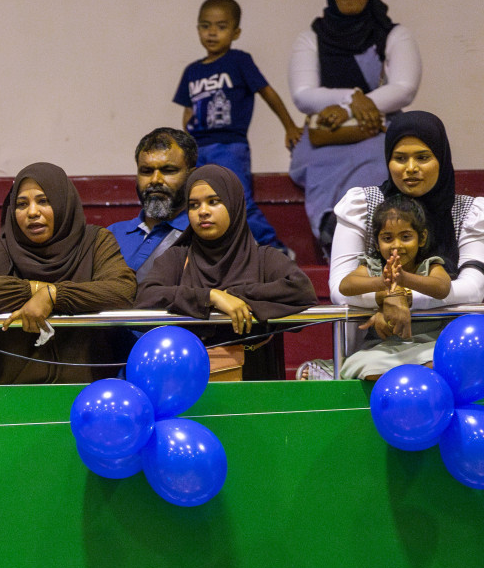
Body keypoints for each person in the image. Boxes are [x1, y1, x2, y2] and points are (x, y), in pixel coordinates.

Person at [312, 110, 484, 379]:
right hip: (378, 341)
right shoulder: (363, 204)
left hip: (451, 341)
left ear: (441, 158)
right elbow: (340, 290)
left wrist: (404, 296)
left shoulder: (468, 210)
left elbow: (473, 289)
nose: (410, 168)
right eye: (400, 158)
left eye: (423, 157)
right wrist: (386, 296)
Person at [0, 162, 136, 385]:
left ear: (62, 202)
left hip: (90, 393)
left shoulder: (95, 242)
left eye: (43, 201)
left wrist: (54, 296)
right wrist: (33, 290)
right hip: (17, 395)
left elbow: (122, 289)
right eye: (21, 204)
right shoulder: (1, 249)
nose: (32, 212)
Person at [287, 0, 421, 253]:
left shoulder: (393, 35)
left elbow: (404, 89)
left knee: (379, 158)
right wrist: (352, 98)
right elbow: (303, 94)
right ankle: (331, 229)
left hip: (378, 127)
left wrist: (349, 108)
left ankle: (368, 231)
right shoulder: (312, 38)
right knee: (319, 162)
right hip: (328, 132)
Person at [138, 165, 316, 381]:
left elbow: (301, 290)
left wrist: (234, 295)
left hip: (256, 383)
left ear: (234, 204)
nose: (203, 211)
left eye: (213, 202)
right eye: (194, 205)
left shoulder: (264, 258)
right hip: (186, 384)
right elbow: (146, 298)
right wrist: (211, 297)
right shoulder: (177, 257)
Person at [173, 0, 301, 253]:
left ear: (236, 32)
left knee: (237, 199)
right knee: (197, 201)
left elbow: (267, 92)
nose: (212, 32)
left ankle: (275, 250)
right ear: (197, 29)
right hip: (198, 149)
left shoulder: (239, 61)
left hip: (229, 145)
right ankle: (210, 254)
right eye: (205, 26)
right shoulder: (192, 71)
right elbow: (188, 110)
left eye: (221, 27)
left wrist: (289, 126)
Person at [337, 195, 452, 380]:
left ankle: (411, 373)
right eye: (387, 238)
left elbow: (442, 287)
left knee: (442, 360)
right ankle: (412, 374)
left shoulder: (429, 265)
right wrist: (383, 281)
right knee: (361, 365)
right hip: (384, 349)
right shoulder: (374, 266)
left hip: (426, 344)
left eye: (405, 237)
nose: (396, 246)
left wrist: (404, 278)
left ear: (422, 238)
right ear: (377, 243)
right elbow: (346, 285)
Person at [107, 128, 196, 283]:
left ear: (192, 175)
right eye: (146, 171)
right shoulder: (111, 235)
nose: (155, 180)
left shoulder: (199, 233)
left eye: (168, 170)